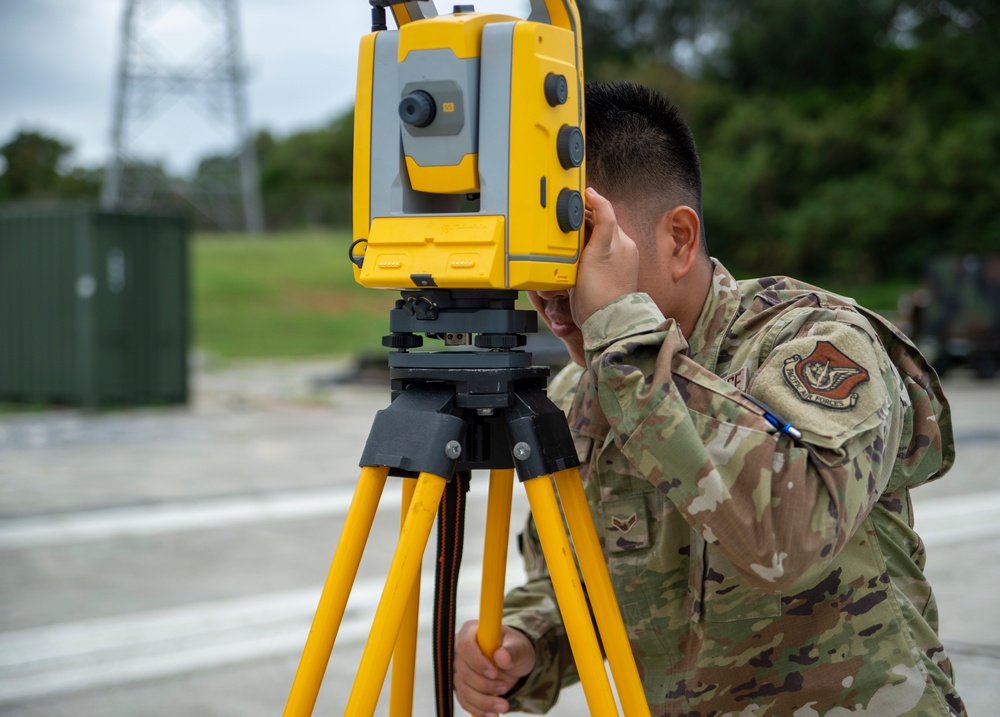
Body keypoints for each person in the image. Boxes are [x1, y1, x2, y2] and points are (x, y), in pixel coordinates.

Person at [452, 81, 966, 717]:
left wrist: (621, 335)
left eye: (580, 252)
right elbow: (581, 582)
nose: (555, 299)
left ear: (678, 239)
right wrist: (527, 641)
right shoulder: (581, 393)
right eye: (541, 267)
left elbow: (786, 539)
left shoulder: (814, 344)